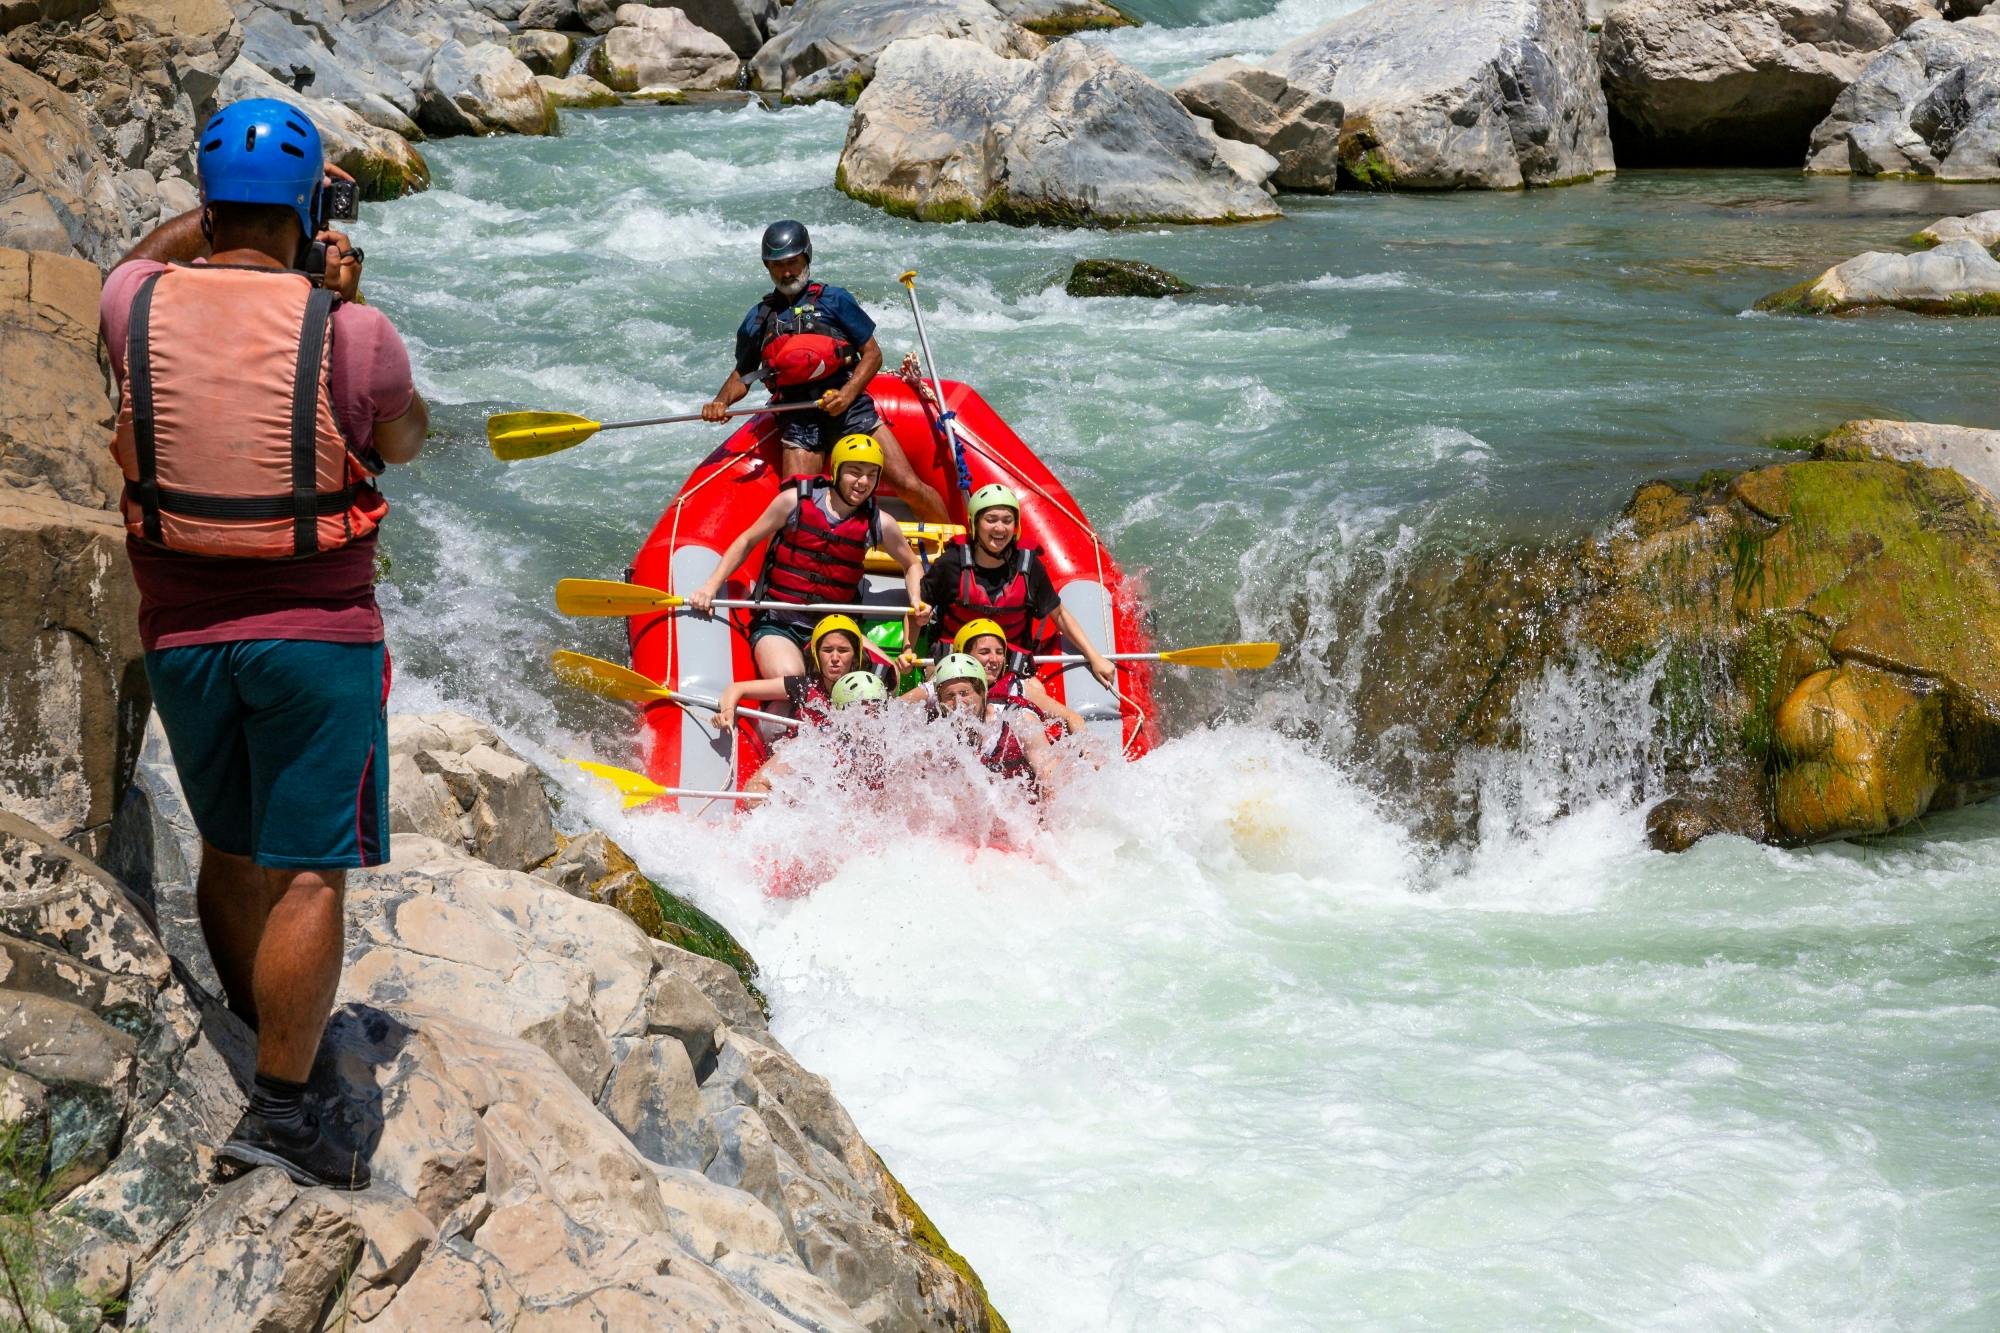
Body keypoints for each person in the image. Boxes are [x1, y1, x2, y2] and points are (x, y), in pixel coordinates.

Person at [99, 98, 429, 1191]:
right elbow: (404, 438)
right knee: (306, 875)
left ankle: (259, 1028)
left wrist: (216, 227)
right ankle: (286, 1112)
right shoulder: (354, 334)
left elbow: (137, 264)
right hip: (313, 639)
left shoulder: (130, 304)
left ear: (206, 205)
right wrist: (340, 292)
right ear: (309, 210)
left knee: (232, 848)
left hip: (184, 639)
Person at [701, 220, 948, 523]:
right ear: (768, 268)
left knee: (908, 486)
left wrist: (846, 396)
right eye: (778, 265)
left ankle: (955, 548)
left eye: (792, 262)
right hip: (798, 414)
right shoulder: (759, 318)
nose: (787, 271)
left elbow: (872, 354)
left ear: (807, 258)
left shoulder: (834, 299)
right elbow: (743, 374)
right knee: (797, 503)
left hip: (849, 407)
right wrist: (720, 402)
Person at [687, 434, 928, 683]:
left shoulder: (880, 523)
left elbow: (911, 564)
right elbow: (747, 541)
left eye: (871, 474)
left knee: (889, 679)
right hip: (781, 622)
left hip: (835, 626)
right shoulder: (794, 502)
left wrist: (916, 599)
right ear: (836, 470)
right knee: (790, 679)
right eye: (854, 472)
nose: (863, 482)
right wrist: (711, 586)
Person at [922, 483, 1117, 692]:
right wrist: (907, 648)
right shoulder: (951, 563)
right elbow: (920, 609)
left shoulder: (1029, 566)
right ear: (975, 523)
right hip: (955, 658)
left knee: (1036, 692)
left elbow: (1059, 615)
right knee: (941, 689)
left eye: (1007, 521)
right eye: (991, 520)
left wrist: (1094, 657)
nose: (1000, 528)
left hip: (1006, 662)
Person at [929, 653, 1059, 795]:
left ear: (982, 692)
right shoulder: (941, 737)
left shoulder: (1019, 719)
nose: (958, 702)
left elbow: (1051, 783)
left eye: (964, 693)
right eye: (949, 696)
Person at [712, 613, 868, 729]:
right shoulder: (801, 686)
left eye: (843, 650)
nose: (835, 658)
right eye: (827, 650)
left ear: (855, 657)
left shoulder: (866, 692)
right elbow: (736, 688)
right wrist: (728, 711)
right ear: (817, 655)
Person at [947, 617, 1088, 736]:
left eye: (999, 652)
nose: (994, 659)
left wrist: (1085, 748)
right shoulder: (947, 688)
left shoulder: (1017, 688)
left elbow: (1072, 718)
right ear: (964, 655)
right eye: (984, 652)